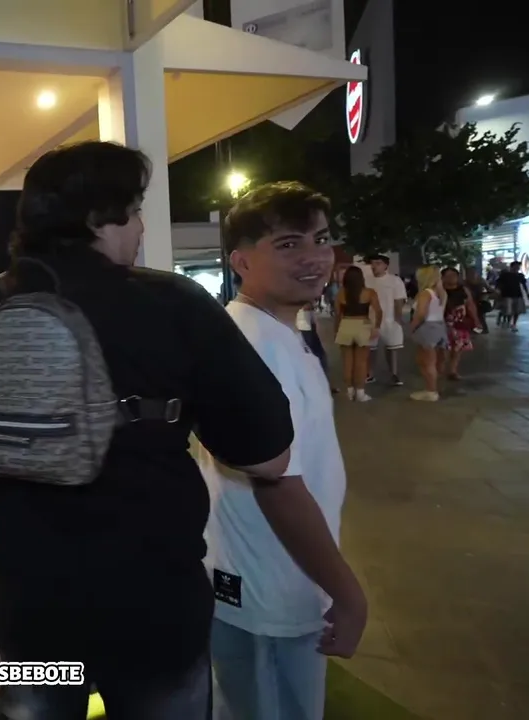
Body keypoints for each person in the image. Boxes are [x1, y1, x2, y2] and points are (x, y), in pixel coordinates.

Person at [0, 141, 300, 719]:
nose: (140, 228)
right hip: (155, 604)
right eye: (133, 211)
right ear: (97, 219)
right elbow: (269, 456)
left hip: (30, 606)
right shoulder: (174, 303)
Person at [203, 182, 367, 720]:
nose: (315, 257)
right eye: (289, 244)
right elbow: (278, 485)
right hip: (266, 586)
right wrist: (348, 594)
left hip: (280, 579)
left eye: (321, 239)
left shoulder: (277, 331)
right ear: (241, 261)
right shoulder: (251, 345)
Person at [333, 266, 382, 401]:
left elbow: (337, 314)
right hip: (362, 325)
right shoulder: (369, 292)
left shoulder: (341, 293)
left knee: (347, 362)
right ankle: (360, 393)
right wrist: (376, 327)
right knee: (361, 362)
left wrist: (336, 330)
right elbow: (379, 311)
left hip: (345, 325)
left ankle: (349, 392)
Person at [364, 255, 406, 386]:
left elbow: (399, 300)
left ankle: (394, 374)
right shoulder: (367, 281)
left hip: (389, 319)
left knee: (392, 348)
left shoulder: (395, 281)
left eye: (378, 263)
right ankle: (370, 374)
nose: (374, 266)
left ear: (385, 266)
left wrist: (398, 318)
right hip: (370, 320)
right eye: (372, 263)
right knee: (370, 348)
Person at [409, 266, 448, 402]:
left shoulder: (425, 293)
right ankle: (432, 389)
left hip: (427, 328)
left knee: (427, 362)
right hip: (438, 326)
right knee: (430, 361)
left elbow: (421, 314)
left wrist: (412, 327)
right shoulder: (441, 293)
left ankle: (431, 391)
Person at [440, 267, 481, 380]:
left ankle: (453, 370)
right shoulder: (439, 290)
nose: (451, 278)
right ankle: (441, 369)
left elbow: (470, 305)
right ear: (442, 277)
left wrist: (476, 319)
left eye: (454, 275)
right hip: (443, 323)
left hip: (460, 323)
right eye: (448, 276)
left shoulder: (463, 290)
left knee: (458, 348)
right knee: (443, 348)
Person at [494, 261, 528, 332]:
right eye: (516, 266)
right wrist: (498, 292)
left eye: (518, 267)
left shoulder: (520, 275)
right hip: (507, 295)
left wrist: (527, 293)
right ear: (512, 267)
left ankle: (513, 324)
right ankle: (505, 319)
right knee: (508, 311)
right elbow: (499, 283)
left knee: (517, 311)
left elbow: (524, 284)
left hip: (517, 294)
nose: (517, 268)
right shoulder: (505, 275)